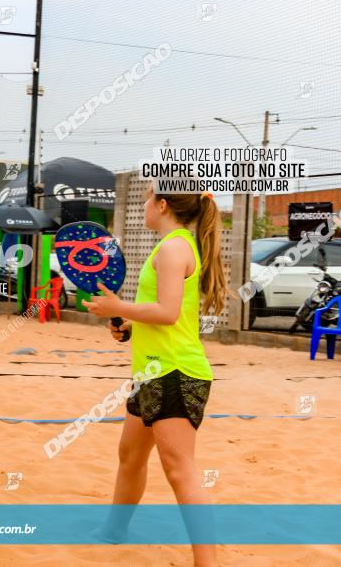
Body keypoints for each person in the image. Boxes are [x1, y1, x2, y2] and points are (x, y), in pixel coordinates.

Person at [82, 187, 227, 566]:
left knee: (180, 470)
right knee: (130, 455)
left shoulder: (173, 248)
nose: (144, 206)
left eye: (147, 200)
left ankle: (206, 562)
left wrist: (117, 306)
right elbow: (162, 315)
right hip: (151, 372)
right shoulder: (171, 246)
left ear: (162, 205)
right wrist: (128, 325)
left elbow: (167, 312)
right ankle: (115, 530)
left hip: (176, 373)